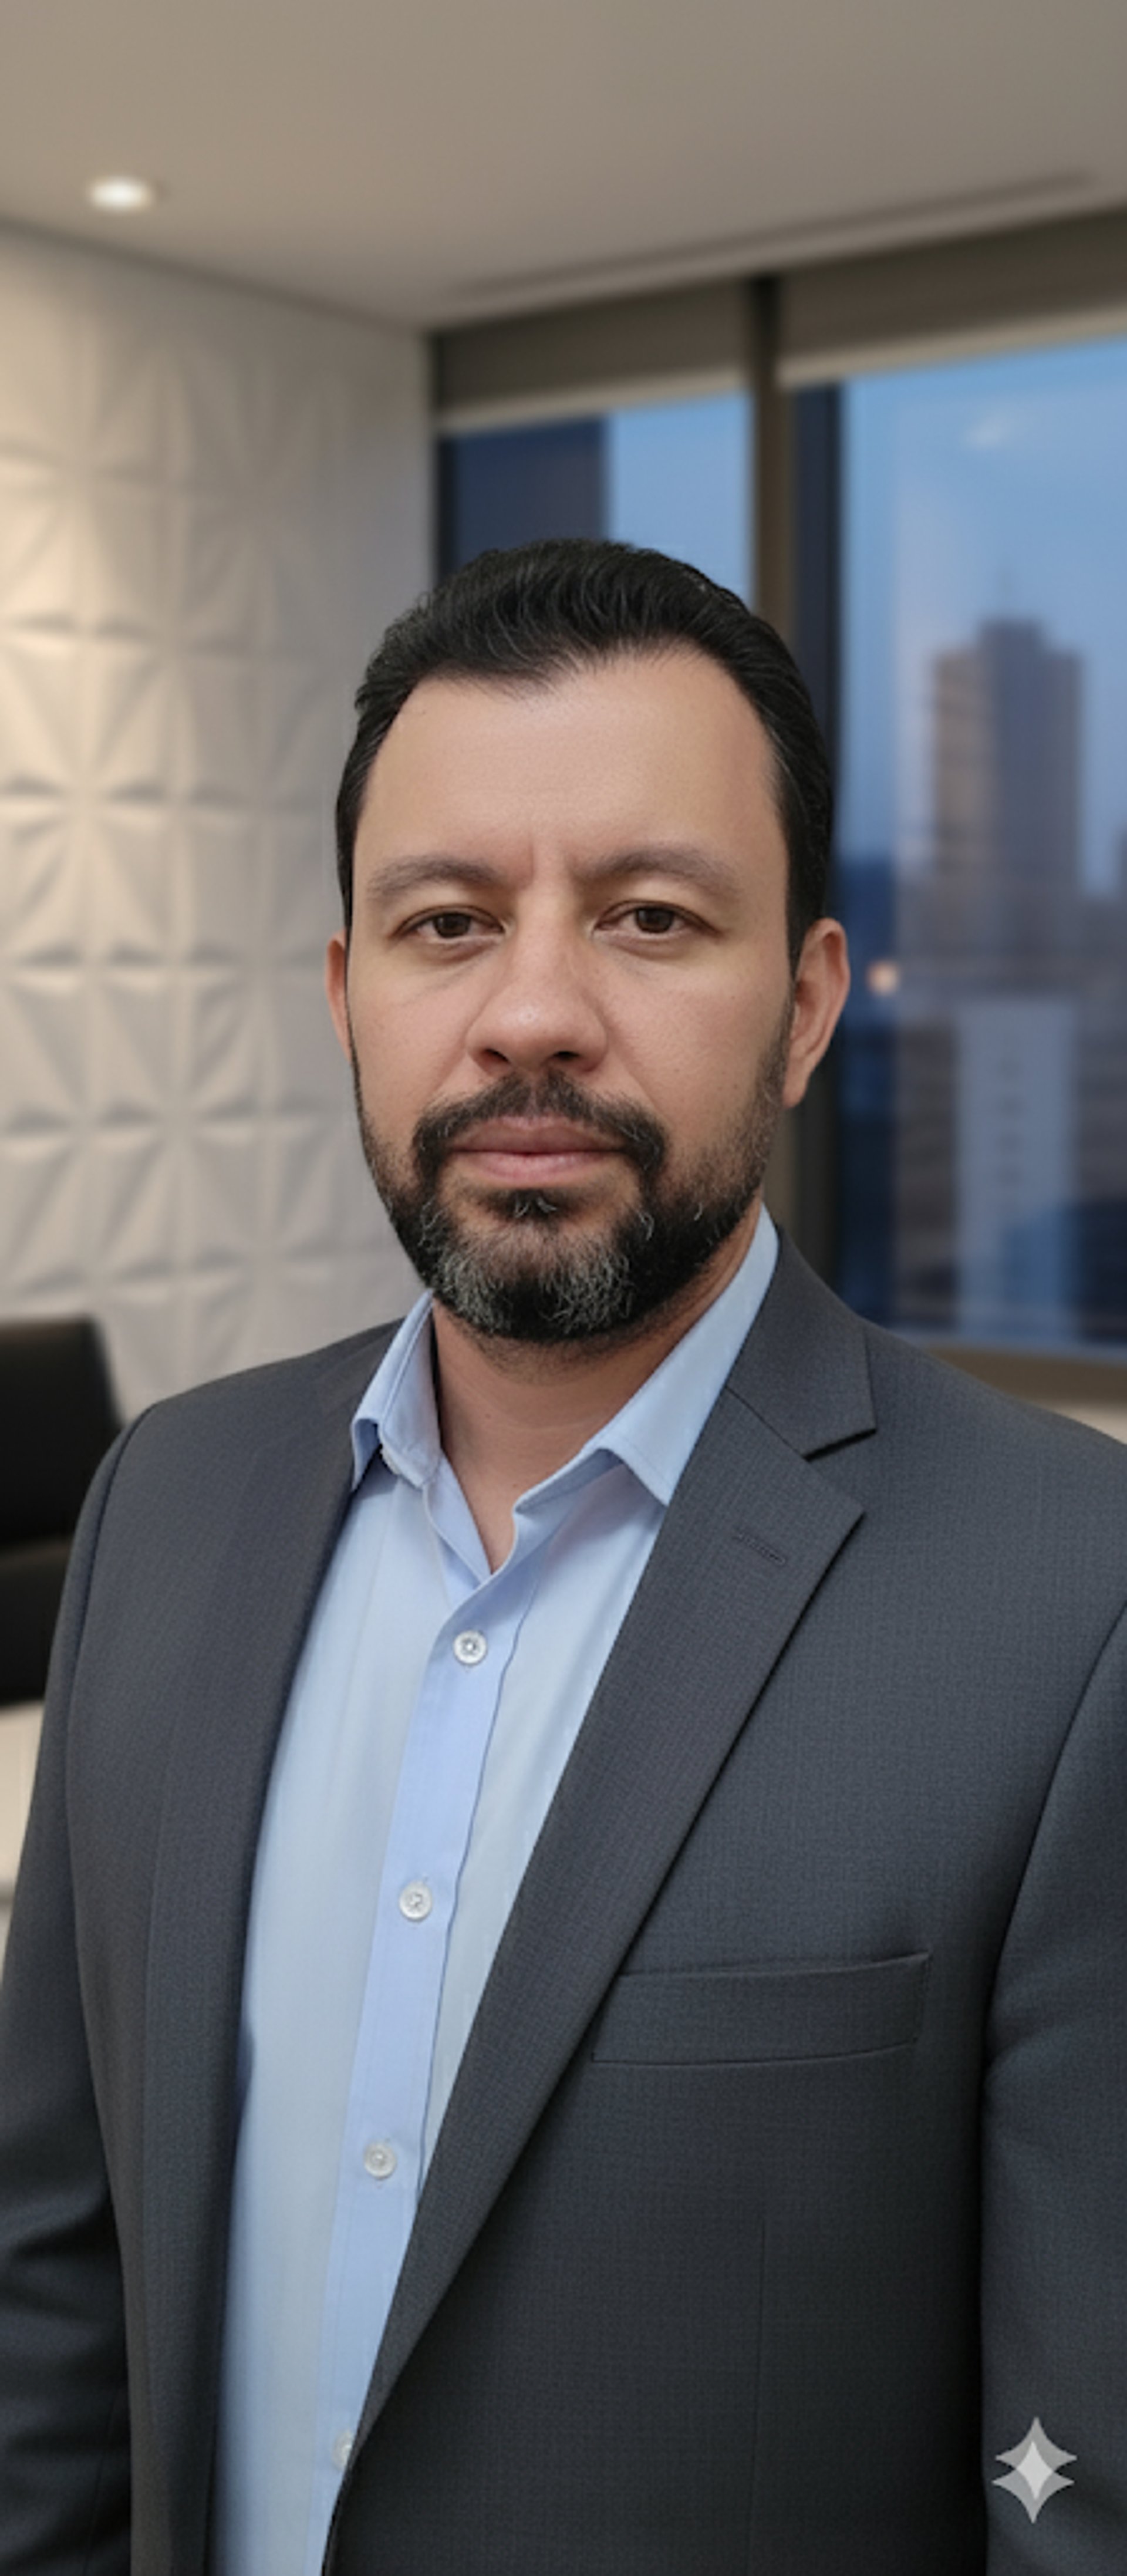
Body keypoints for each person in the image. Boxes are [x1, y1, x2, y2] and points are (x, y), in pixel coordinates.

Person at [1, 539, 1124, 2576]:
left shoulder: (1071, 1603)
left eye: (649, 916)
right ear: (348, 999)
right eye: (447, 923)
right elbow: (52, 2296)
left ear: (802, 1006)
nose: (534, 1011)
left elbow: (1080, 2487)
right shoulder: (162, 1504)